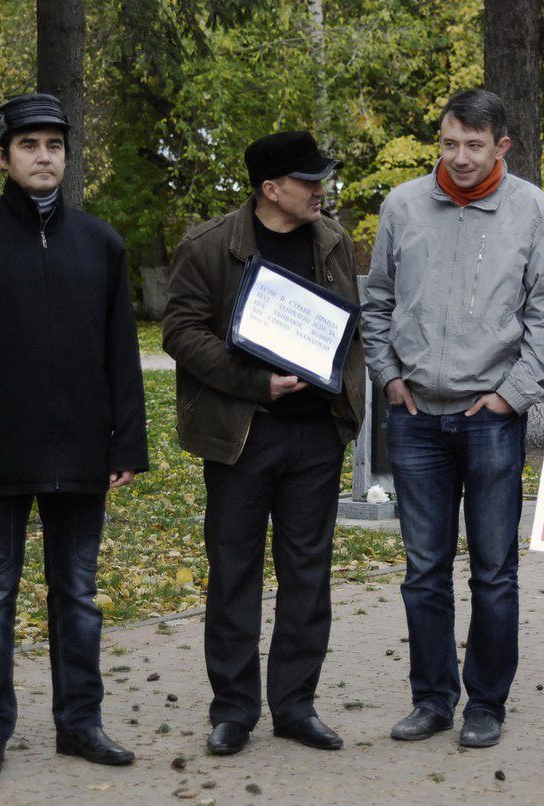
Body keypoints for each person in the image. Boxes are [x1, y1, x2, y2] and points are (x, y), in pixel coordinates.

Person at [0, 93, 148, 778]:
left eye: (54, 145)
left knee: (78, 595)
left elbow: (122, 355)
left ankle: (80, 722)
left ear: (66, 156)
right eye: (29, 145)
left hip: (83, 450)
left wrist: (127, 443)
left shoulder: (101, 244)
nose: (43, 156)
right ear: (3, 156)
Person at [362, 88, 544, 749]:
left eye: (474, 146)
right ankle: (431, 700)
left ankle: (486, 704)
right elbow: (376, 305)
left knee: (493, 569)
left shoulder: (533, 212)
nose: (458, 157)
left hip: (491, 418)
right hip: (417, 415)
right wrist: (390, 380)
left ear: (501, 145)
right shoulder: (402, 205)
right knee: (423, 568)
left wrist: (513, 395)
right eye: (449, 143)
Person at [162, 131, 365, 755]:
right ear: (270, 189)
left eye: (321, 179)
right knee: (234, 571)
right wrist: (256, 383)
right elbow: (180, 332)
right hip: (241, 434)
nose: (320, 190)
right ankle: (234, 711)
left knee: (308, 574)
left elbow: (346, 325)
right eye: (309, 181)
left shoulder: (332, 240)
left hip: (315, 434)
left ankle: (296, 706)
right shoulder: (207, 245)